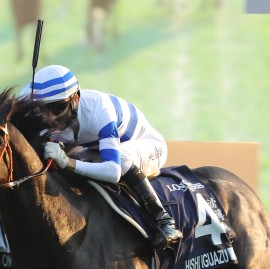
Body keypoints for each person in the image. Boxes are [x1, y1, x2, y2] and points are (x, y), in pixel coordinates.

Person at [23, 64, 181, 250]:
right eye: (43, 109)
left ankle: (164, 220)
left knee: (121, 159)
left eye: (58, 108)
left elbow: (113, 171)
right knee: (72, 163)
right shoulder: (32, 97)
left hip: (146, 145)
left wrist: (67, 162)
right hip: (97, 148)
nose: (50, 118)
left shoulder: (99, 110)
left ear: (75, 98)